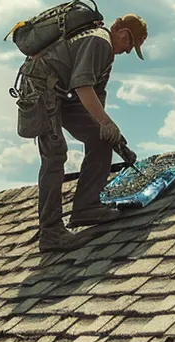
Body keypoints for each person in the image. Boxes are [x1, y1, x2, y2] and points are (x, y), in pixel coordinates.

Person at [23, 13, 147, 252]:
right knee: (55, 156)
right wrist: (107, 123)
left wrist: (116, 140)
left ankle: (86, 207)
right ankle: (51, 233)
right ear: (123, 34)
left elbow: (96, 101)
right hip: (41, 90)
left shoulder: (107, 56)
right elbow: (82, 87)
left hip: (62, 94)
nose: (129, 51)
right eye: (131, 44)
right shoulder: (99, 41)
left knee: (100, 139)